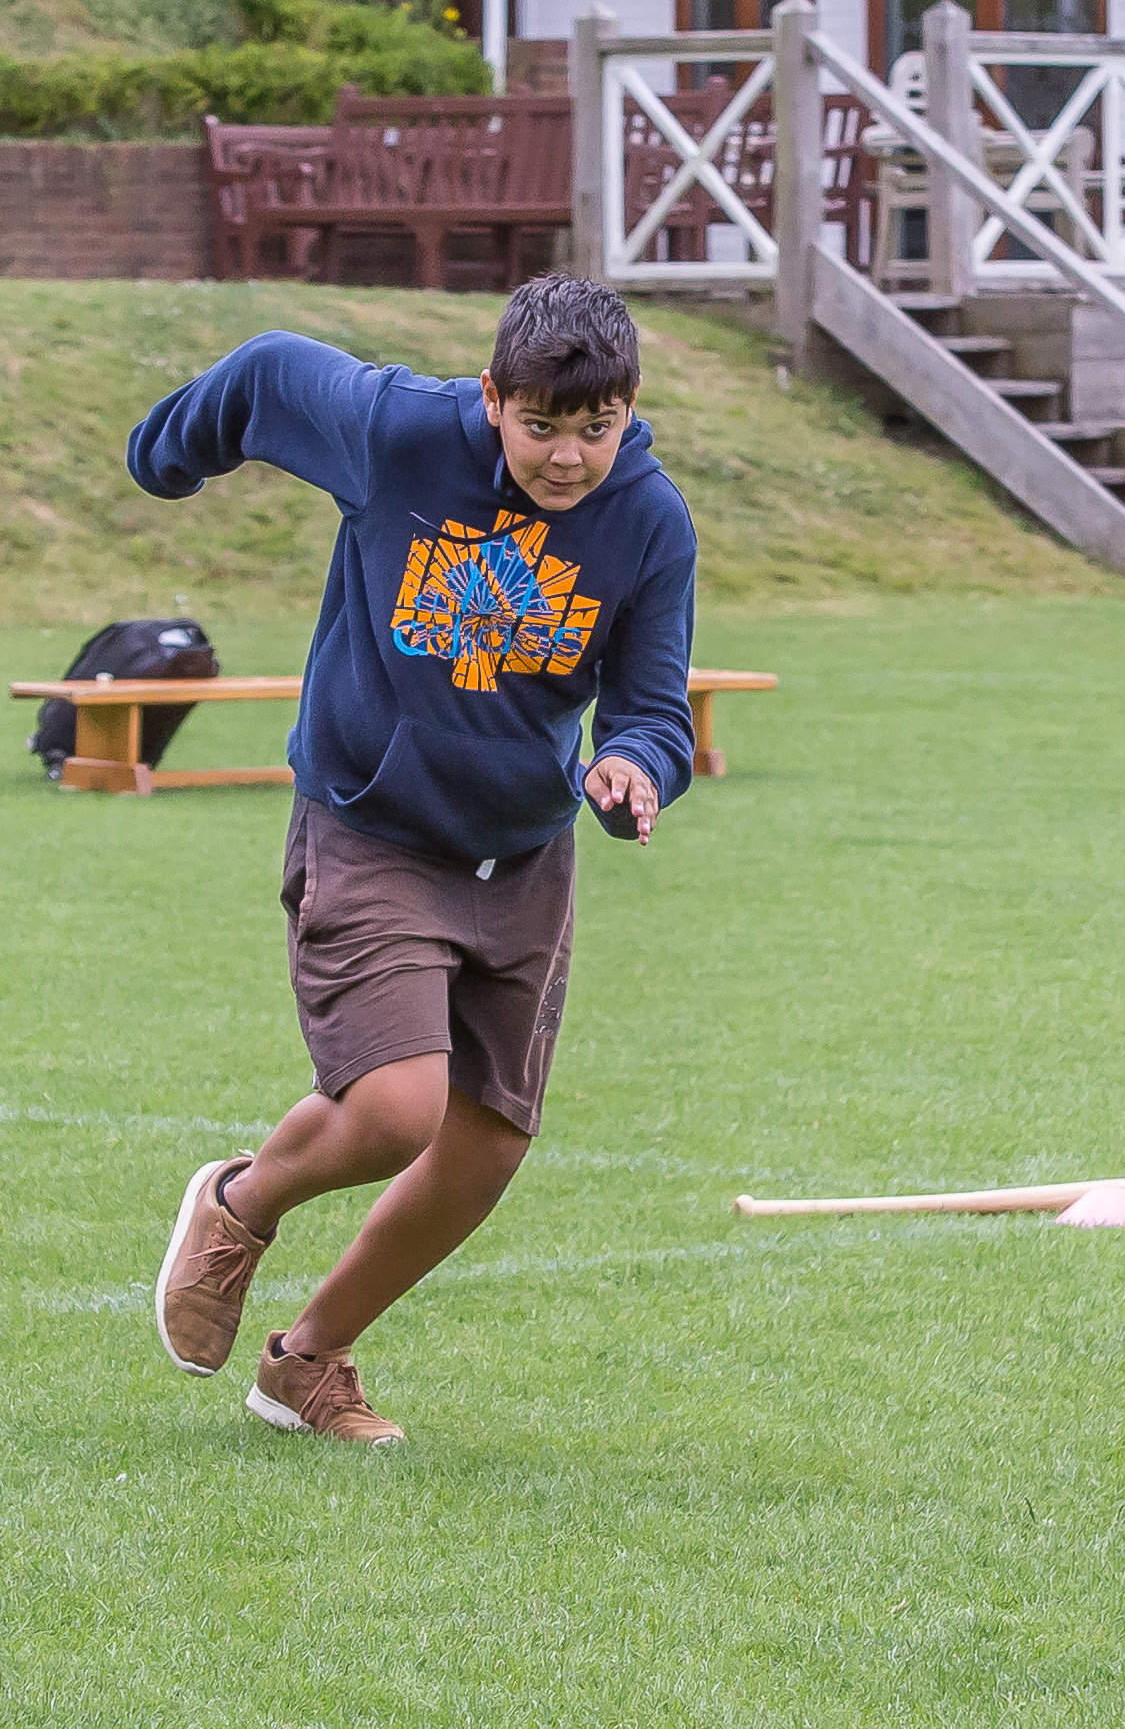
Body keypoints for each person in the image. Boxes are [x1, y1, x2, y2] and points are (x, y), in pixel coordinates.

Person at [126, 276, 697, 1445]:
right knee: (395, 1108)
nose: (566, 458)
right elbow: (269, 367)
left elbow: (652, 705)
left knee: (484, 1143)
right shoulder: (399, 433)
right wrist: (166, 456)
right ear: (492, 399)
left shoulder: (647, 519)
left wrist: (636, 764)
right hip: (373, 827)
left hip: (520, 853)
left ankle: (307, 1360)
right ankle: (240, 1204)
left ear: (629, 406)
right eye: (540, 425)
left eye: (595, 429)